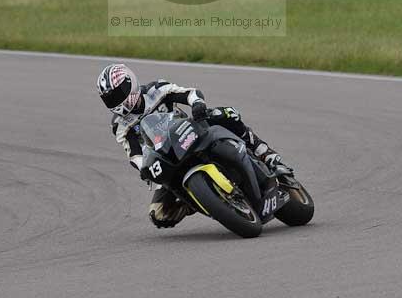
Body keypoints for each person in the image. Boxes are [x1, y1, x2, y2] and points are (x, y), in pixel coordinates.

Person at [97, 63, 294, 228]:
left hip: (189, 131)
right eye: (110, 99)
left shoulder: (156, 89)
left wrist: (197, 104)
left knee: (226, 114)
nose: (116, 101)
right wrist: (143, 167)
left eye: (118, 94)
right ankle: (200, 200)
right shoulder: (120, 125)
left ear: (130, 84)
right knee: (158, 215)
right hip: (166, 157)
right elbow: (133, 153)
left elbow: (188, 93)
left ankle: (265, 153)